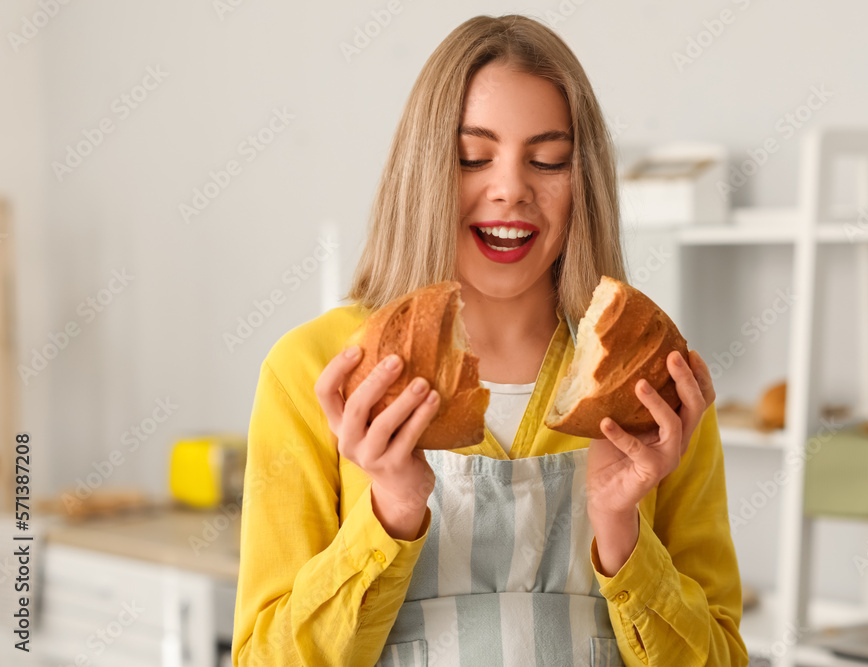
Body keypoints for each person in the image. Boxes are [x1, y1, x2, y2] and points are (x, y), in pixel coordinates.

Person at [233, 13, 747, 667]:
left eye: (548, 160)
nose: (510, 189)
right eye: (473, 157)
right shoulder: (316, 370)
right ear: (422, 171)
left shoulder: (650, 384)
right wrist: (389, 510)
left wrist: (622, 533)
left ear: (582, 181)